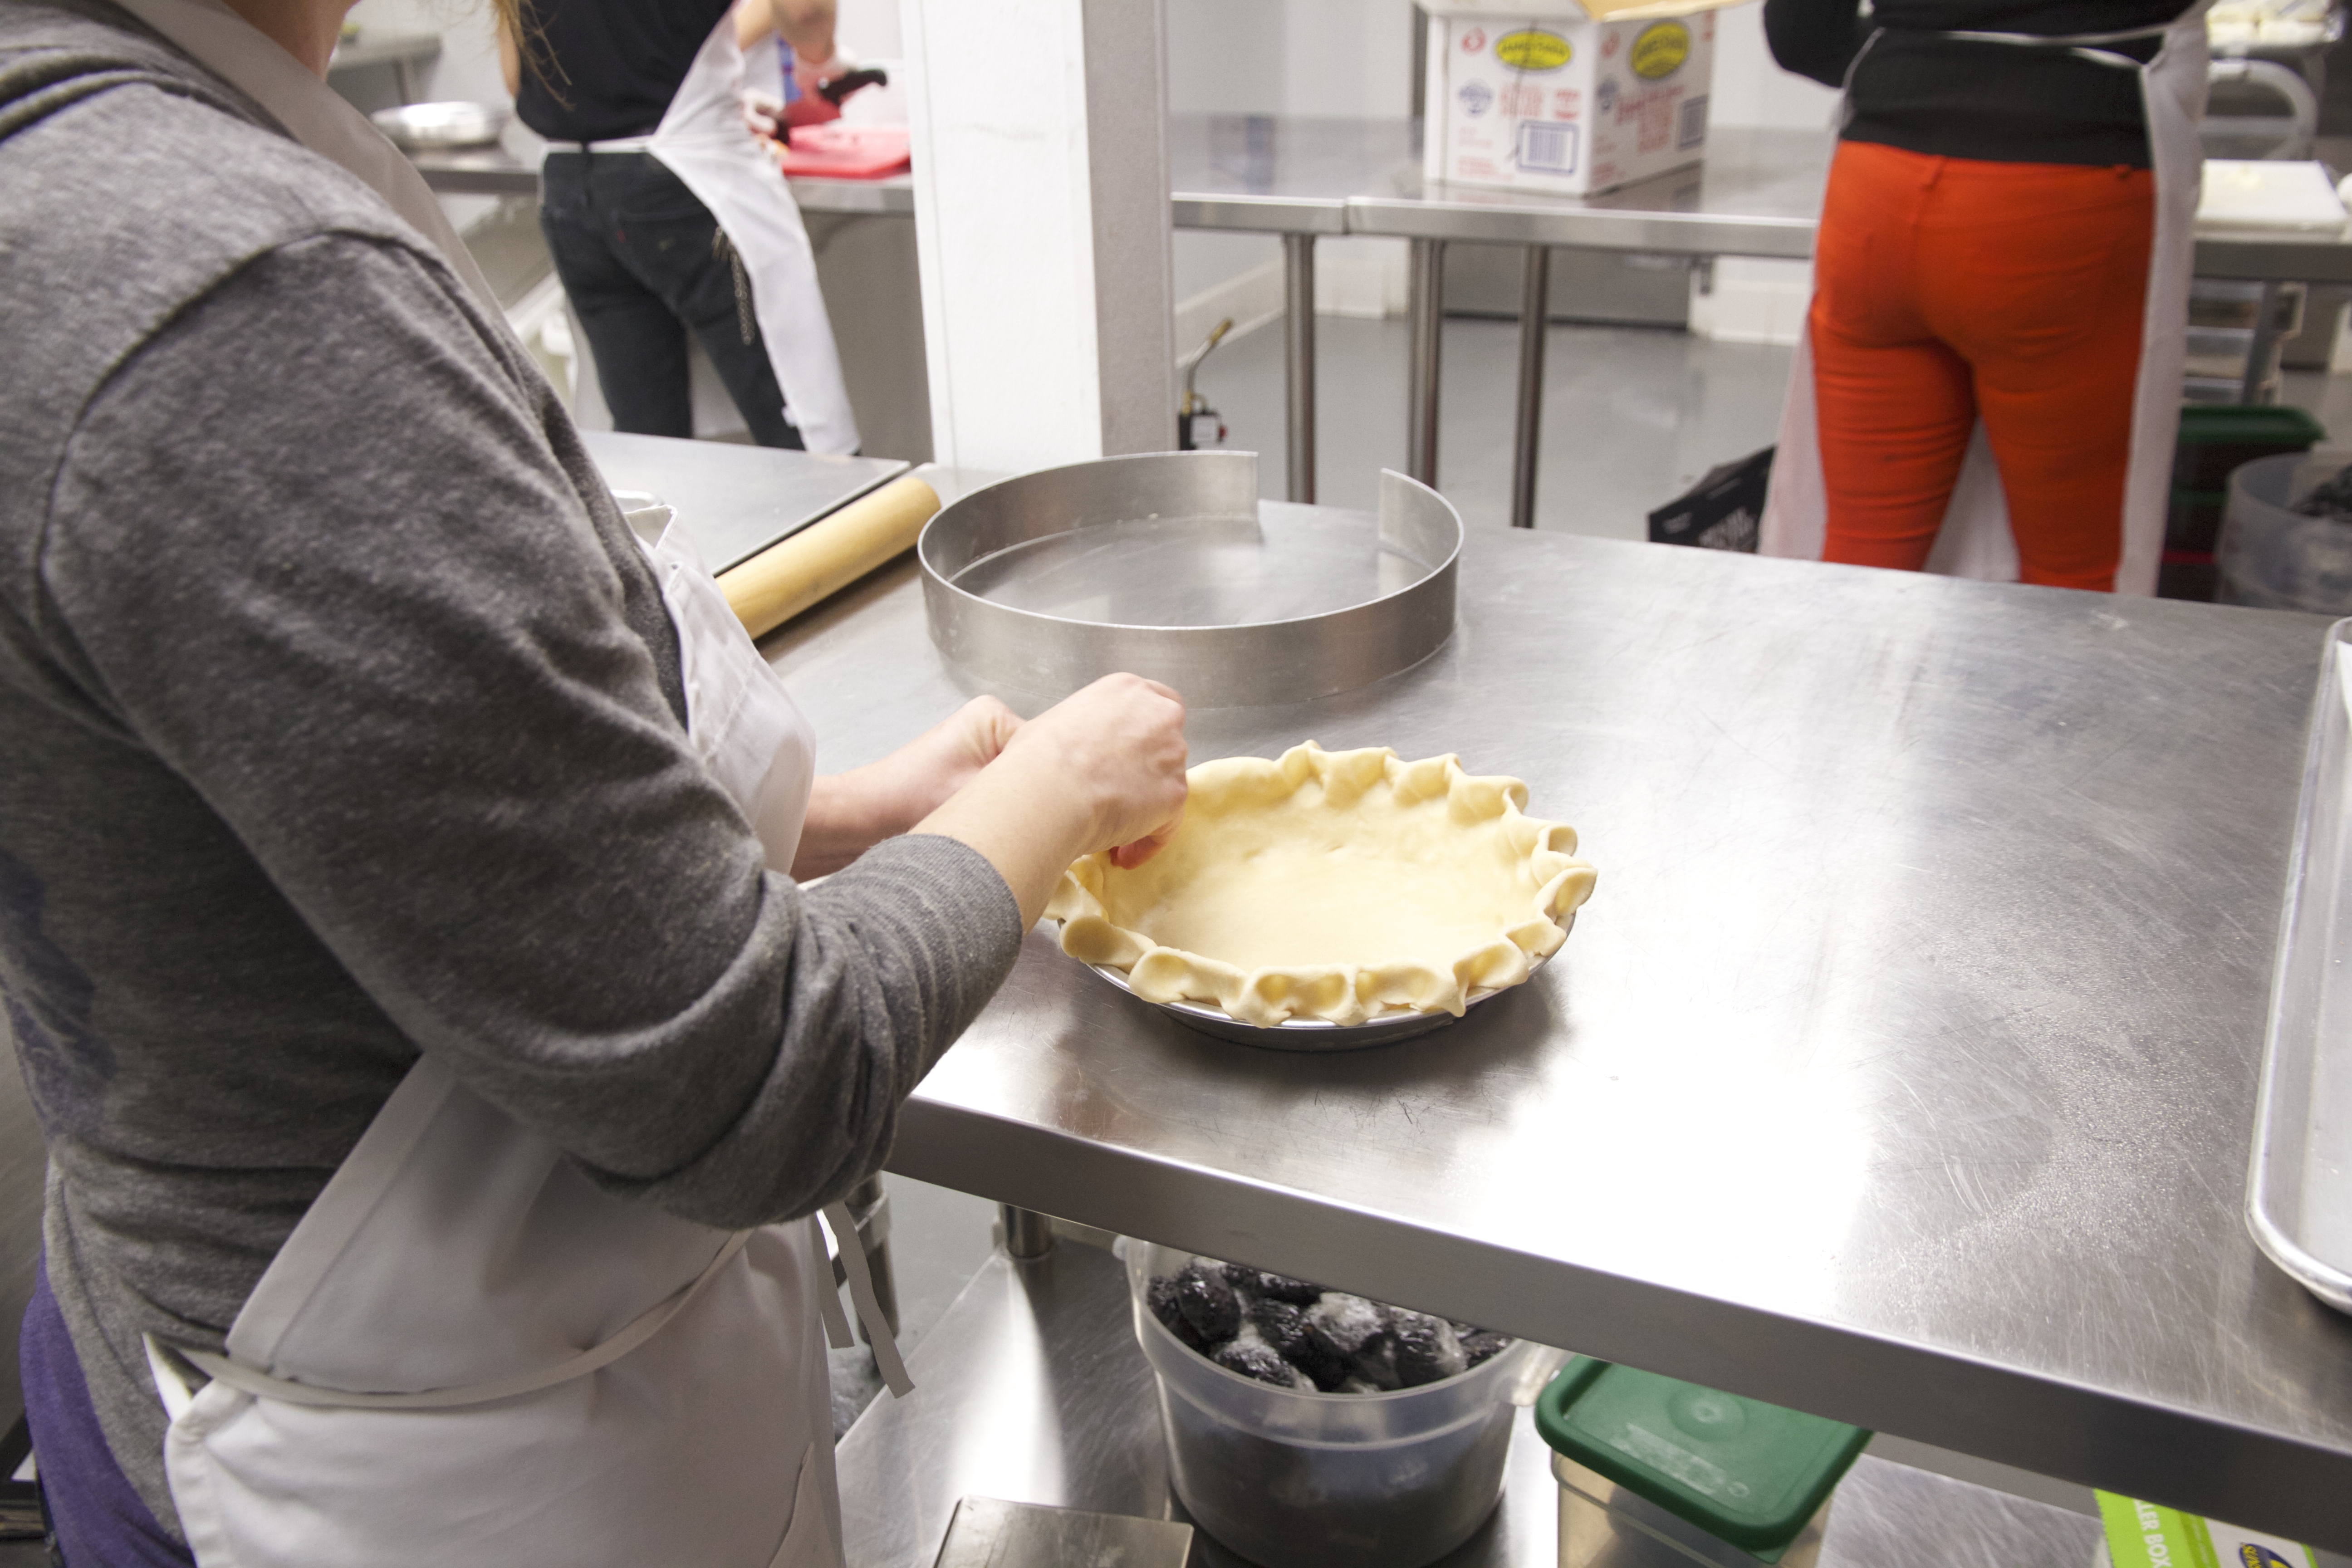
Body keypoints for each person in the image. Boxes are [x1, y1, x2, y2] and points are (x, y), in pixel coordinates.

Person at [0, 0, 1189, 1563]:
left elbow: (377, 819)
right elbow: (756, 1086)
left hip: (214, 1330)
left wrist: (837, 823)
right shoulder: (233, 307)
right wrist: (1053, 792)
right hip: (423, 1467)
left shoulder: (97, 154)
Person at [1757, 0, 2210, 593]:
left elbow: (1800, 34)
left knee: (1864, 561)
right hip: (2065, 202)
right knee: (2073, 578)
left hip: (1878, 189)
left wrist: (1932, 59)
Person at [502, 0, 860, 451]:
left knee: (653, 452)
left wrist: (706, 89)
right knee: (810, 445)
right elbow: (804, 11)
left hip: (570, 195)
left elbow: (515, 74)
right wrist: (819, 64)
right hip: (687, 183)